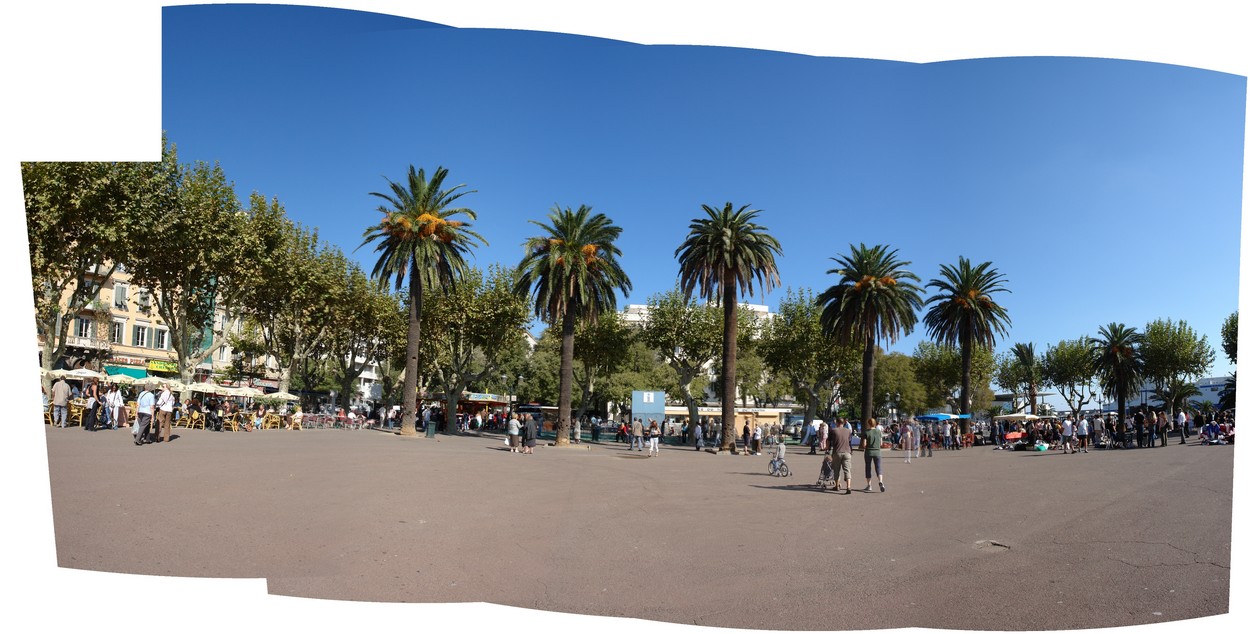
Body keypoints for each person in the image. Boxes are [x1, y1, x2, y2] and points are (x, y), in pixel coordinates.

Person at [860, 418, 885, 492]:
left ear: (868, 424)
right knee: (878, 467)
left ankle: (869, 485)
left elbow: (864, 444)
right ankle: (880, 481)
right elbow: (881, 443)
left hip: (868, 452)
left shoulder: (866, 432)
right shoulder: (879, 431)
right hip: (877, 452)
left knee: (868, 468)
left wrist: (866, 446)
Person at [830, 419, 853, 494]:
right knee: (847, 470)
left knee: (836, 469)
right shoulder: (848, 431)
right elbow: (849, 441)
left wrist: (827, 449)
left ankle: (837, 486)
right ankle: (848, 487)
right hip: (847, 452)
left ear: (837, 423)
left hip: (837, 452)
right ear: (843, 423)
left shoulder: (833, 430)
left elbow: (829, 441)